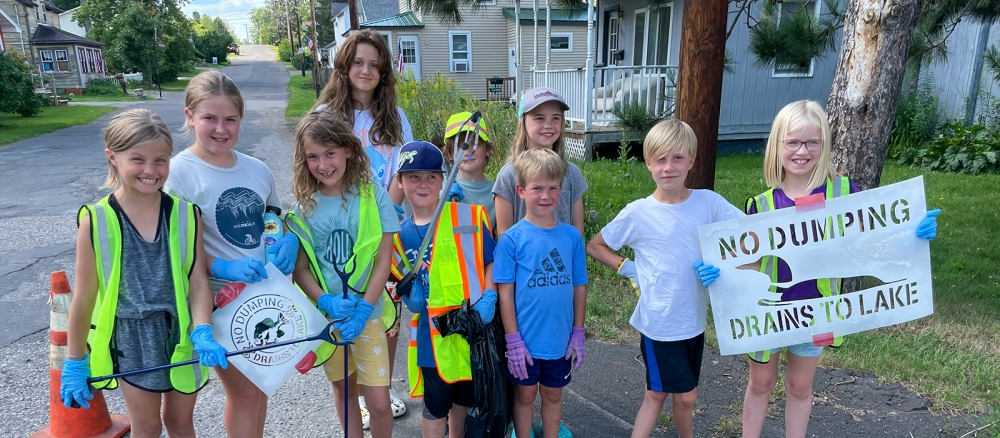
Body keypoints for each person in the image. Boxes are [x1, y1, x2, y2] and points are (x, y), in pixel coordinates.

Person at [701, 100, 939, 438]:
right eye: (793, 142)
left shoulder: (843, 192)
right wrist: (719, 270)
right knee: (761, 383)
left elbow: (869, 243)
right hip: (768, 311)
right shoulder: (761, 203)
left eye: (813, 142)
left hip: (817, 311)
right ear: (778, 146)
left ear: (824, 145)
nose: (803, 151)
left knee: (800, 386)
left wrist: (911, 234)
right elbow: (751, 260)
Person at [62, 108, 229, 438]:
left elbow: (197, 280)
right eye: (138, 160)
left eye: (161, 160)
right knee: (148, 426)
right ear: (112, 157)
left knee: (181, 423)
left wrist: (203, 328)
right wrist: (75, 359)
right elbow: (83, 297)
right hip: (132, 341)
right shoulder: (95, 221)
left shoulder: (185, 214)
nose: (151, 171)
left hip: (182, 335)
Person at [585, 119, 744, 438]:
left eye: (677, 158)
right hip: (659, 322)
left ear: (692, 160)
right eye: (660, 159)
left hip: (693, 322)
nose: (668, 167)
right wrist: (625, 267)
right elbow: (596, 245)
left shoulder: (708, 203)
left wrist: (720, 264)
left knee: (687, 398)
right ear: (647, 163)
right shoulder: (638, 212)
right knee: (662, 394)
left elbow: (747, 234)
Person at [163, 70, 299, 438]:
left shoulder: (257, 169)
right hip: (218, 299)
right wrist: (222, 265)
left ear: (241, 120)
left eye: (230, 119)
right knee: (243, 393)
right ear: (190, 116)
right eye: (209, 118)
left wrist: (285, 240)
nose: (220, 129)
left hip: (263, 295)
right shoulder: (177, 174)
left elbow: (272, 217)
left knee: (260, 387)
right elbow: (178, 250)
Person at [314, 28, 412, 419]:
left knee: (385, 316)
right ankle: (352, 397)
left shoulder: (395, 116)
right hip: (341, 234)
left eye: (374, 64)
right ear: (344, 65)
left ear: (384, 71)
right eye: (358, 62)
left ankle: (380, 390)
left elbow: (402, 169)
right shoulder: (326, 115)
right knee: (348, 311)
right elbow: (315, 171)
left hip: (385, 231)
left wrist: (385, 216)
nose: (366, 70)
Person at [285, 110, 399, 438]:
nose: (323, 164)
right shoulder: (303, 208)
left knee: (378, 401)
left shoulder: (374, 196)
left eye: (330, 153)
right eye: (313, 157)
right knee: (344, 393)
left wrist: (365, 308)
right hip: (329, 321)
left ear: (349, 149)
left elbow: (383, 258)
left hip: (370, 315)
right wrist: (326, 301)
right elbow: (302, 268)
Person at [388, 140, 498, 438]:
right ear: (400, 182)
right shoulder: (397, 237)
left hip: (471, 329)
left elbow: (489, 262)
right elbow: (398, 283)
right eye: (413, 177)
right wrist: (410, 297)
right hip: (431, 336)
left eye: (431, 177)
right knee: (435, 405)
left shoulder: (469, 217)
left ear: (443, 180)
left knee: (463, 398)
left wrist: (489, 296)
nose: (422, 184)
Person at [494, 148, 588, 438]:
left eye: (553, 188)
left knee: (553, 395)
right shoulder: (510, 240)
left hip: (559, 340)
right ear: (521, 191)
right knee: (524, 397)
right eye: (537, 188)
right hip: (525, 340)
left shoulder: (572, 237)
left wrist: (578, 331)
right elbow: (505, 293)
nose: (546, 196)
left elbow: (579, 286)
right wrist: (513, 340)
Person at [493, 87, 587, 237]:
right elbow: (504, 233)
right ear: (523, 122)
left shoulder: (572, 173)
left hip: (562, 258)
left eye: (555, 118)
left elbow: (578, 232)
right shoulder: (509, 175)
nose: (548, 125)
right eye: (539, 118)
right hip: (523, 259)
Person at [432, 111, 497, 228]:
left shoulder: (496, 193)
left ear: (487, 149)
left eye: (474, 144)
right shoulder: (439, 188)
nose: (467, 151)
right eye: (459, 145)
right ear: (449, 154)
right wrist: (440, 205)